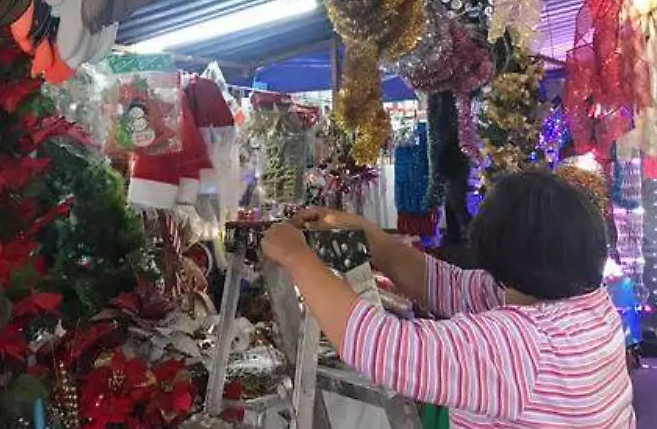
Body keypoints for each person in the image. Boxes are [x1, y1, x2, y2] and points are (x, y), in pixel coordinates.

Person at [262, 170, 635, 429]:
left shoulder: (524, 344)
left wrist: (298, 259)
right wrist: (365, 235)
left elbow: (380, 345)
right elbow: (445, 285)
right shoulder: (589, 306)